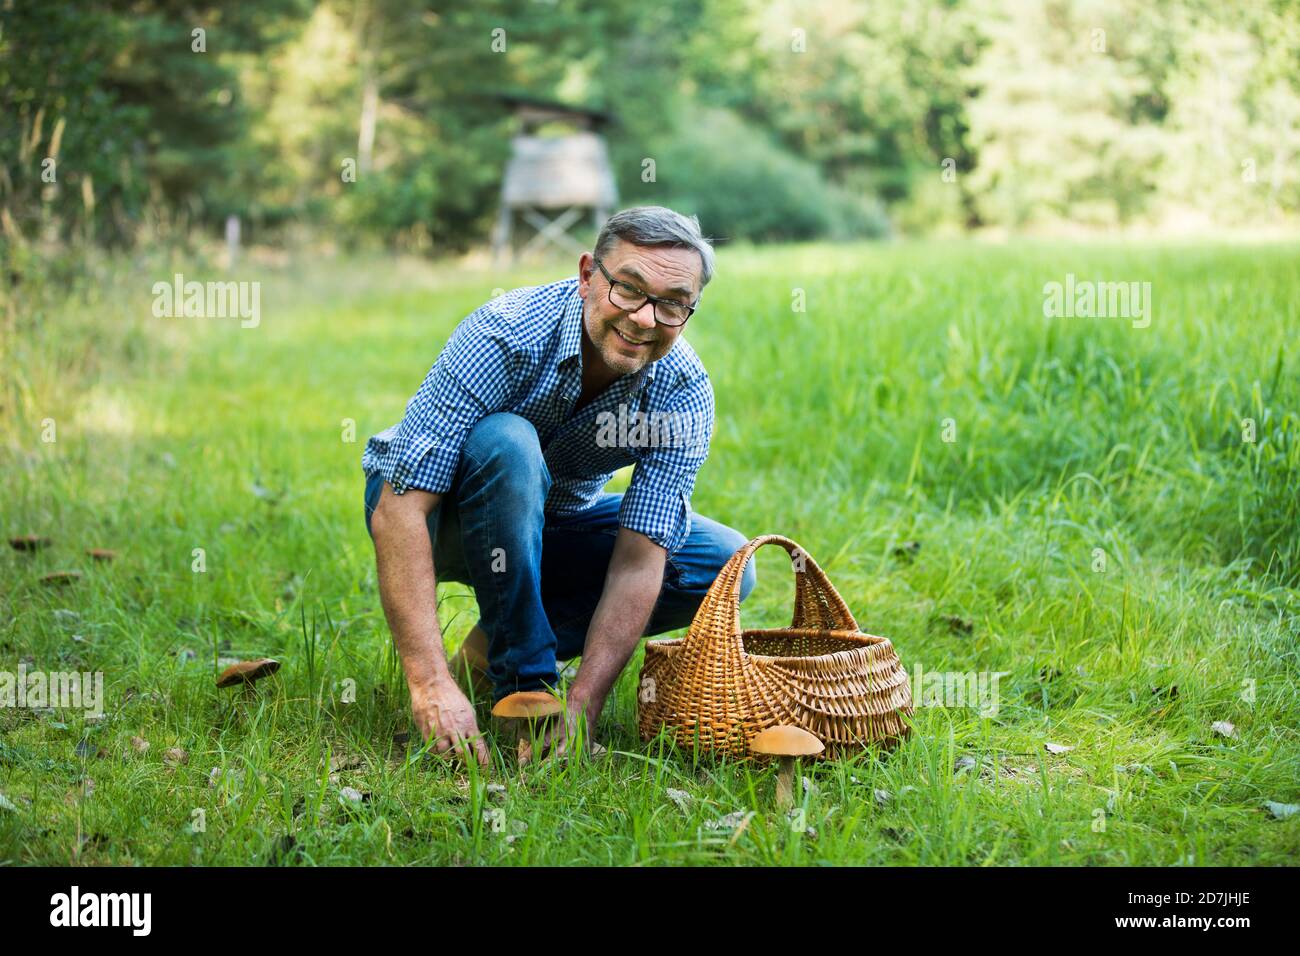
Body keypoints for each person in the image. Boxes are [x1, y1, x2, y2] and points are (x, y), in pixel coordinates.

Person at [362, 206, 755, 764]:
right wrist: (427, 686)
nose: (644, 318)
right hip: (435, 512)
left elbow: (641, 558)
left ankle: (483, 663)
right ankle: (525, 684)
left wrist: (585, 703)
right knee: (509, 442)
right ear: (588, 274)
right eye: (627, 288)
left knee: (722, 562)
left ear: (689, 309)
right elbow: (401, 506)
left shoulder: (681, 390)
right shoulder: (505, 332)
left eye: (671, 303)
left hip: (551, 522)